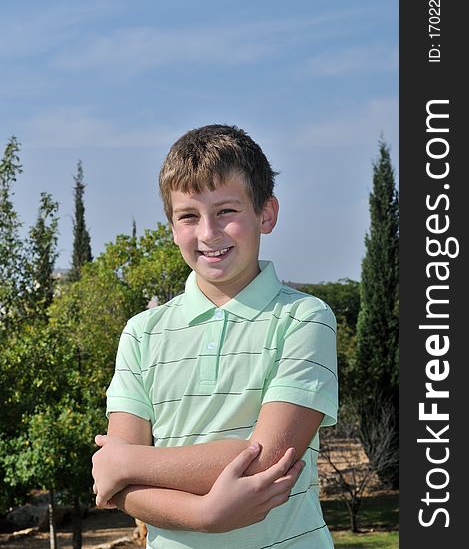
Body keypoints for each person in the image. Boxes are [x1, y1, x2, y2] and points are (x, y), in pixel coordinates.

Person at [92, 124, 338, 548]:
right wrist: (205, 516)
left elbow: (263, 462)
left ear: (266, 213)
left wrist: (129, 460)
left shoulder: (303, 318)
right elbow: (119, 489)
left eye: (226, 211)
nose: (208, 233)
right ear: (172, 227)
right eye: (189, 215)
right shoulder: (142, 332)